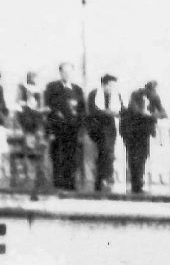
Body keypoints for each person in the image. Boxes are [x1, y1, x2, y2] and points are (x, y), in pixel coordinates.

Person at [119, 80, 166, 195]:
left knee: (142, 156)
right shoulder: (136, 95)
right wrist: (151, 115)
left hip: (144, 132)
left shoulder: (155, 98)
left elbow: (164, 113)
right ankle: (135, 184)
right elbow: (136, 111)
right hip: (131, 131)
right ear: (147, 89)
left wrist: (151, 115)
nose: (154, 93)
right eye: (153, 90)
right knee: (133, 157)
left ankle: (138, 183)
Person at [43, 63, 86, 191]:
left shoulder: (77, 89)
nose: (67, 75)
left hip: (73, 128)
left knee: (72, 156)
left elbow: (82, 109)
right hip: (58, 127)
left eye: (69, 72)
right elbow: (50, 106)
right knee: (58, 155)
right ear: (60, 73)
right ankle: (58, 183)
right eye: (64, 72)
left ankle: (70, 183)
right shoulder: (52, 87)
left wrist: (80, 124)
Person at [85, 73, 123, 191]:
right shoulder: (95, 94)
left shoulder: (116, 95)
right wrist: (107, 112)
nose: (112, 88)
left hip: (110, 129)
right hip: (97, 129)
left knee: (108, 153)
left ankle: (104, 179)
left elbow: (121, 109)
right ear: (104, 85)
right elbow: (93, 110)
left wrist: (114, 113)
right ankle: (101, 180)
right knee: (103, 153)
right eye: (110, 85)